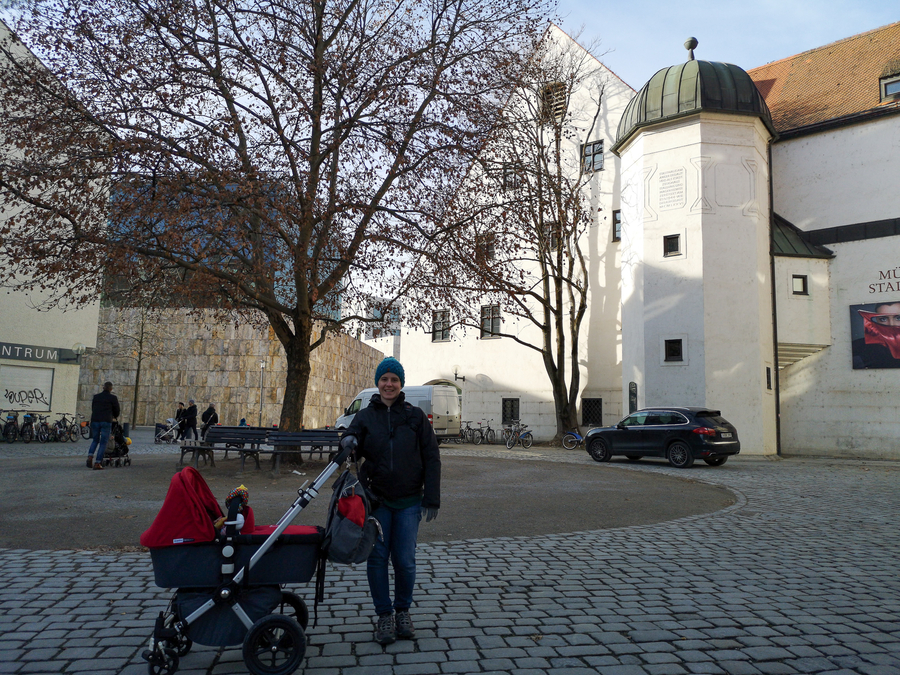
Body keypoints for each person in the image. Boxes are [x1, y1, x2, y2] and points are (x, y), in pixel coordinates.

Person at [342, 356, 441, 646]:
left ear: (401, 384)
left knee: (405, 561)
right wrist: (347, 441)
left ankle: (402, 612)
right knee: (377, 559)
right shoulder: (365, 416)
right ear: (378, 382)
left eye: (394, 380)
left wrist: (432, 498)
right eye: (384, 379)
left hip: (410, 501)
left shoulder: (415, 416)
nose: (389, 384)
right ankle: (384, 614)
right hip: (377, 501)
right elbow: (351, 436)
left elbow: (432, 457)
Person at [852, 301, 900, 369]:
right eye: (883, 319)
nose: (891, 324)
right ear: (877, 320)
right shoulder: (858, 348)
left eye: (898, 318)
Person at [86, 382, 120, 470]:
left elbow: (93, 408)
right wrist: (114, 416)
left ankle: (90, 456)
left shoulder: (96, 397)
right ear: (111, 389)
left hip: (95, 420)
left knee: (95, 440)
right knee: (103, 442)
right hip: (106, 421)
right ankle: (97, 463)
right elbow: (117, 410)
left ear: (103, 387)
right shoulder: (113, 398)